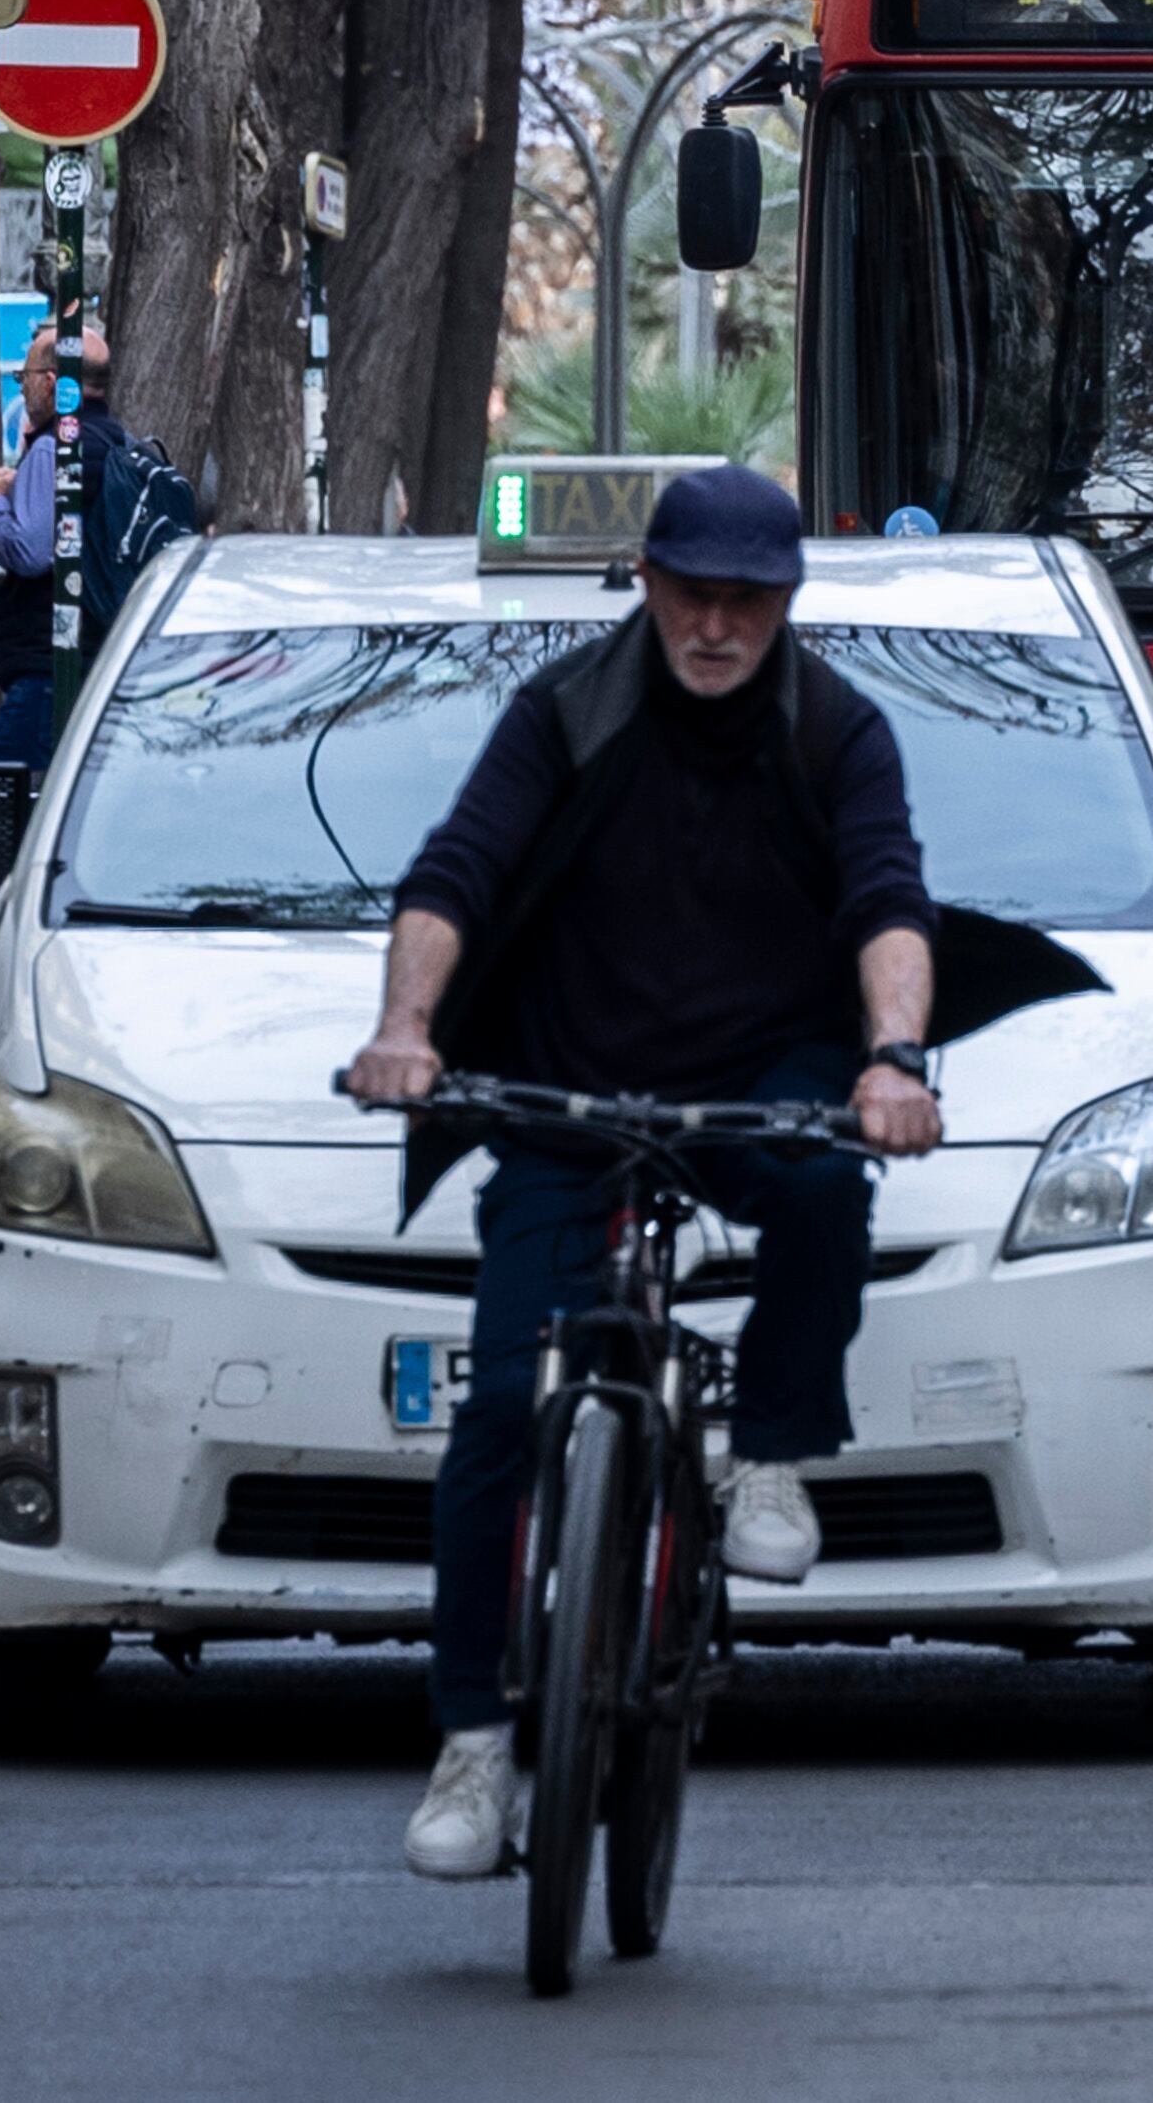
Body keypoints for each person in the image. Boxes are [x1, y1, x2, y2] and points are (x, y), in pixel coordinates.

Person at [343, 464, 945, 1882]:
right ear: (650, 586)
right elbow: (455, 873)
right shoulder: (566, 712)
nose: (718, 625)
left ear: (787, 602)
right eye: (694, 593)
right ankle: (476, 1746)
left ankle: (776, 1455)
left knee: (824, 1187)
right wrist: (406, 1028)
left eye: (748, 599)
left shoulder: (836, 731)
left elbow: (888, 896)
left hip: (762, 1076)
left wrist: (895, 1057)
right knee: (498, 1408)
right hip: (571, 1087)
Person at [0, 324, 98, 768]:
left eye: (23, 378)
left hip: (42, 666)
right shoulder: (108, 441)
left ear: (50, 381)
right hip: (80, 659)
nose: (22, 389)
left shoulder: (52, 450)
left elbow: (29, 552)